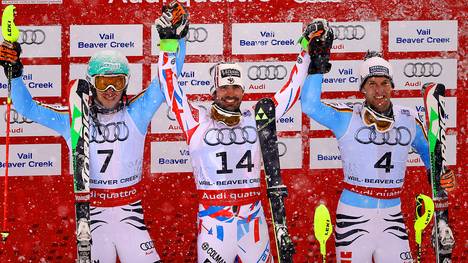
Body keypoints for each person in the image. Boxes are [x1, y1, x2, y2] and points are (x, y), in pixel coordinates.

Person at [154, 5, 330, 263]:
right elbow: (170, 87)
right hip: (214, 225)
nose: (230, 93)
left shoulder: (256, 120)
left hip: (252, 223)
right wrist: (168, 44)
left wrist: (306, 49)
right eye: (224, 88)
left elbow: (291, 90)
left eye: (236, 87)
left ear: (244, 91)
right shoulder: (196, 121)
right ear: (214, 92)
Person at [300, 19, 455, 263]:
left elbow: (430, 154)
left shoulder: (408, 119)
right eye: (371, 84)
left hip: (392, 218)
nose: (379, 90)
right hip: (354, 216)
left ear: (392, 86)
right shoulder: (347, 118)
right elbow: (309, 105)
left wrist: (439, 175)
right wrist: (318, 65)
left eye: (384, 83)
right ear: (363, 88)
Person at [0, 41, 167, 262]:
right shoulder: (73, 119)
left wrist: (175, 40)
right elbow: (26, 107)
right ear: (91, 83)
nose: (111, 91)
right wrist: (15, 72)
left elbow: (167, 82)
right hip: (92, 218)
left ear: (126, 84)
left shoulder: (138, 112)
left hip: (130, 216)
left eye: (117, 82)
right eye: (103, 82)